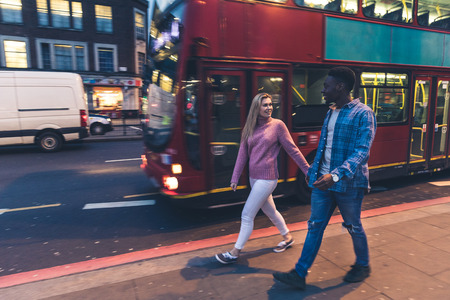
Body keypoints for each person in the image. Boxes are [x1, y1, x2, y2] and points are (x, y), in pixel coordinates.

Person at [273, 67, 377, 289]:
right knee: (315, 226)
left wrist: (336, 175)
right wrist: (313, 170)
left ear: (340, 87)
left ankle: (363, 264)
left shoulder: (363, 113)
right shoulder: (330, 111)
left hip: (348, 184)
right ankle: (299, 273)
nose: (323, 91)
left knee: (353, 225)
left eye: (326, 86)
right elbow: (324, 146)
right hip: (323, 183)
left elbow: (362, 151)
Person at [215, 93, 310, 264]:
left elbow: (292, 149)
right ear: (256, 108)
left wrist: (307, 171)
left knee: (246, 215)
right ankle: (287, 237)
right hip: (254, 178)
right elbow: (242, 154)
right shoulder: (249, 128)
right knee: (270, 211)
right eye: (265, 105)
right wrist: (235, 177)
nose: (269, 108)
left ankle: (235, 253)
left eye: (270, 104)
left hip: (268, 178)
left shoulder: (278, 126)